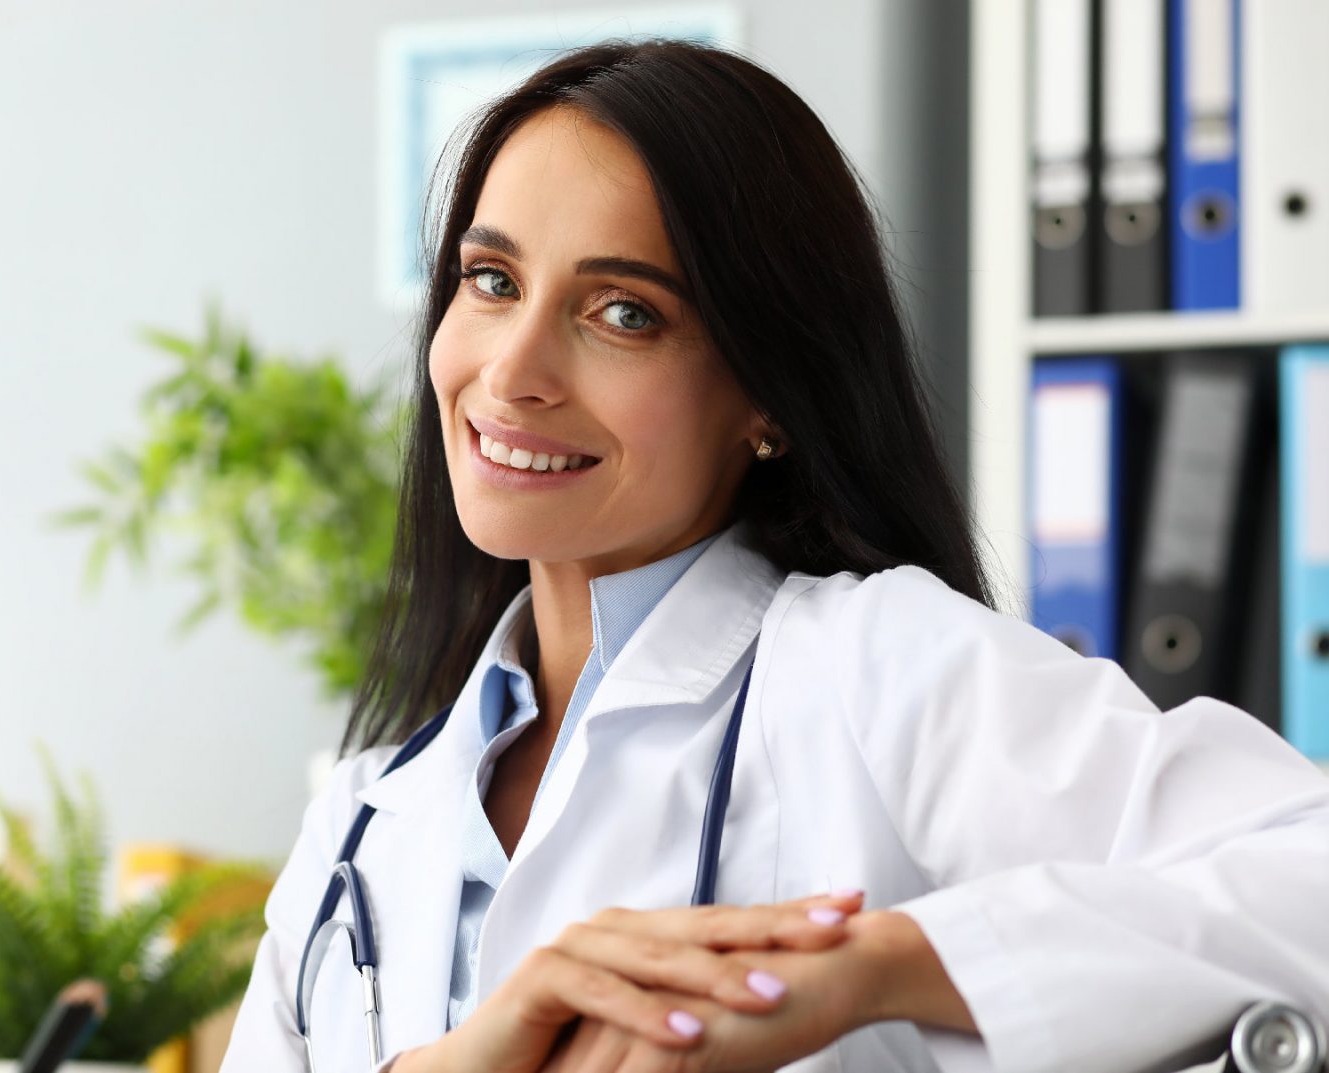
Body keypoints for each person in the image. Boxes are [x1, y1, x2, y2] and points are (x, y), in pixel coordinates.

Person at [219, 38, 1329, 1073]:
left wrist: (880, 967)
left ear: (768, 396)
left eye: (622, 312)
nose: (512, 372)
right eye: (492, 280)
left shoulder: (873, 663)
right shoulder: (366, 818)